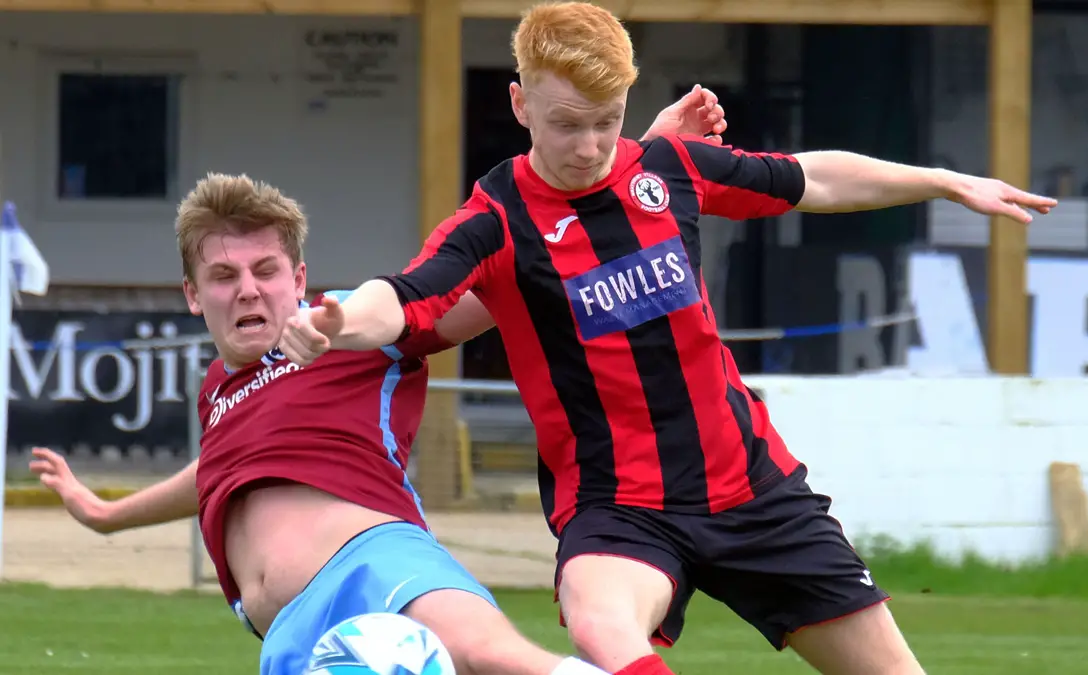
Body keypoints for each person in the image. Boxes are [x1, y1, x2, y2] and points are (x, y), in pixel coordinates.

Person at [279, 3, 1062, 675]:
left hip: (751, 486)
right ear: (518, 104)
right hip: (619, 506)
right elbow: (412, 295)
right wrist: (342, 321)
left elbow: (809, 178)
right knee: (601, 623)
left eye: (605, 122)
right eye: (564, 125)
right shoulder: (496, 216)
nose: (587, 147)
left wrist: (945, 180)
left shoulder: (668, 168)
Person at [28, 77, 728, 675]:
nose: (247, 289)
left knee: (492, 653)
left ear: (297, 278)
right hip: (290, 633)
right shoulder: (219, 388)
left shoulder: (352, 329)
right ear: (192, 294)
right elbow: (213, 471)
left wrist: (628, 169)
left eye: (266, 271)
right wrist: (104, 513)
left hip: (379, 565)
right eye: (223, 275)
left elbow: (519, 271)